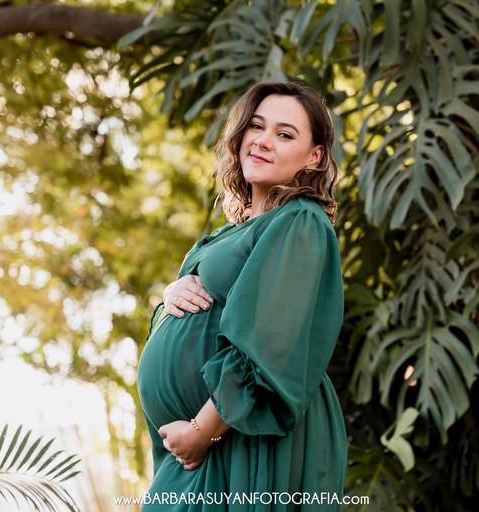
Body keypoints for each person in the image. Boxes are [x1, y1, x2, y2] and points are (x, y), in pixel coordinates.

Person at [136, 81, 346, 511]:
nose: (263, 141)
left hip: (243, 435)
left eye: (284, 134)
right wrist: (171, 297)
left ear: (314, 156)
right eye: (256, 126)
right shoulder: (229, 232)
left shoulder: (300, 221)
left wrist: (202, 430)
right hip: (201, 446)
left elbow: (269, 341)